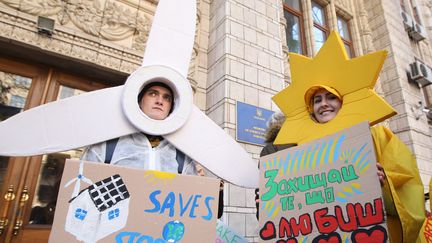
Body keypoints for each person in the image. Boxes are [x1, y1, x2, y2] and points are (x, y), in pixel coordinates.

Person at [81, 81, 224, 218]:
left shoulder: (183, 157)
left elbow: (200, 210)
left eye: (166, 98)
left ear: (170, 108)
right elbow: (81, 196)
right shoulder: (106, 146)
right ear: (139, 101)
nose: (160, 101)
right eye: (153, 94)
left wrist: (216, 188)